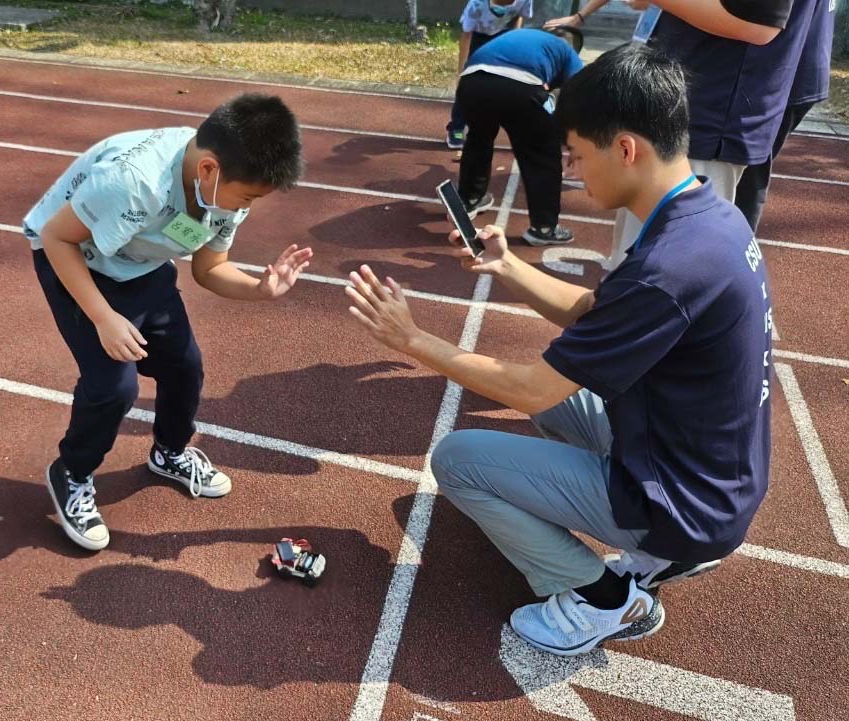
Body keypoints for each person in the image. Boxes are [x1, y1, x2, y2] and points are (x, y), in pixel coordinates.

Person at [346, 44, 772, 656]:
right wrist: (510, 266)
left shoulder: (668, 267)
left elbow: (531, 388)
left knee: (460, 458)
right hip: (710, 473)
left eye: (578, 153)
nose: (572, 169)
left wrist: (412, 339)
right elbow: (594, 314)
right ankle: (659, 552)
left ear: (626, 148)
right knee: (561, 398)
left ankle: (603, 598)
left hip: (688, 501)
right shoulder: (707, 218)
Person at [23, 94, 311, 551]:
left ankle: (169, 452)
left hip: (139, 264)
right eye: (250, 196)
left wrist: (259, 289)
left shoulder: (219, 190)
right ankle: (72, 472)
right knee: (114, 387)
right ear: (210, 170)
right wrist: (103, 317)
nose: (247, 207)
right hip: (74, 260)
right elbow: (56, 237)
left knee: (185, 366)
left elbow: (209, 268)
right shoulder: (131, 182)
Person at [547, 0, 816, 267]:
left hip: (704, 120)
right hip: (683, 111)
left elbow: (761, 23)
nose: (575, 171)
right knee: (639, 267)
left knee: (663, 274)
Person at [455, 27, 584, 246]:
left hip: (470, 82)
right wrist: (576, 145)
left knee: (479, 139)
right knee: (542, 153)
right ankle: (544, 227)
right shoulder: (567, 51)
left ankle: (469, 200)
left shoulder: (525, 37)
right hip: (518, 86)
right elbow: (580, 98)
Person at [734, 0, 836, 233]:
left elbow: (761, 21)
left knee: (745, 178)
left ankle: (734, 259)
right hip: (792, 61)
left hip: (778, 68)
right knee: (747, 176)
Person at [446, 0, 536, 150]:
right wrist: (462, 70)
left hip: (504, 35)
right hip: (478, 37)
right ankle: (456, 128)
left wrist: (513, 40)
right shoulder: (476, 5)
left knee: (500, 85)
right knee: (468, 86)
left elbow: (520, 16)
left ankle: (490, 128)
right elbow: (466, 35)